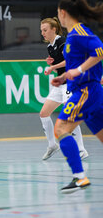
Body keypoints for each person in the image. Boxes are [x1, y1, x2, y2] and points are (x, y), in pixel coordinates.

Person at [51, 0, 103, 193]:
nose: (58, 16)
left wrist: (78, 71)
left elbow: (99, 51)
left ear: (63, 13)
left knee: (61, 128)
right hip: (87, 90)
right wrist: (65, 77)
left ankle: (79, 177)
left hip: (86, 91)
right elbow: (77, 63)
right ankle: (79, 177)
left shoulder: (80, 32)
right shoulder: (73, 36)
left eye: (57, 13)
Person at [39, 17, 88, 160]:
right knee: (44, 113)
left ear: (54, 29)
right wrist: (53, 64)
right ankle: (52, 145)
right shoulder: (50, 46)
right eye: (41, 30)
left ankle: (81, 149)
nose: (43, 33)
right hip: (60, 85)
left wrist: (52, 67)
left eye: (45, 30)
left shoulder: (62, 42)